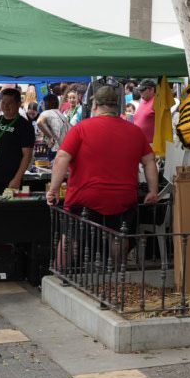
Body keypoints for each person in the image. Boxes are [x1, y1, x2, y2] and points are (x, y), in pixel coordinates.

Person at [48, 85, 160, 272]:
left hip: (85, 196)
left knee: (70, 237)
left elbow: (62, 158)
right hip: (122, 197)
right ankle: (116, 277)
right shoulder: (135, 131)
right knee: (118, 236)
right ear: (117, 107)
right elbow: (150, 161)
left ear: (95, 105)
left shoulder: (80, 129)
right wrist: (153, 190)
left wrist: (53, 189)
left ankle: (61, 275)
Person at [130, 80, 159, 148]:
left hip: (151, 145)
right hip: (139, 142)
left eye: (142, 90)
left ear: (151, 90)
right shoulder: (143, 100)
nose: (140, 92)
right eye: (139, 90)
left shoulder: (157, 101)